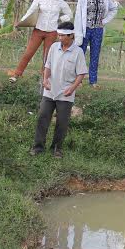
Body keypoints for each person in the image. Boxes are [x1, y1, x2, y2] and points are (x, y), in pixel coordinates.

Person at [31, 21, 88, 158]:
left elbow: (81, 74)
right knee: (43, 117)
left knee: (62, 122)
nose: (60, 38)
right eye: (59, 35)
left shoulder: (78, 52)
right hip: (50, 89)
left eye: (63, 36)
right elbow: (48, 66)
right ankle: (38, 147)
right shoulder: (53, 47)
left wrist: (72, 88)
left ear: (71, 36)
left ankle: (56, 148)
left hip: (66, 92)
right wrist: (45, 80)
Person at [8, 0, 72, 82]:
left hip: (52, 32)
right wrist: (21, 22)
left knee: (47, 57)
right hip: (38, 30)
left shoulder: (60, 2)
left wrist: (60, 21)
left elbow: (69, 14)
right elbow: (30, 11)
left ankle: (44, 79)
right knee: (28, 53)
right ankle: (16, 74)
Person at [73, 0, 119, 87]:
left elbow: (114, 9)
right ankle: (78, 80)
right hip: (85, 29)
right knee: (80, 53)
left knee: (95, 55)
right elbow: (78, 15)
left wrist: (104, 21)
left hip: (98, 30)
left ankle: (93, 81)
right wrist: (77, 31)